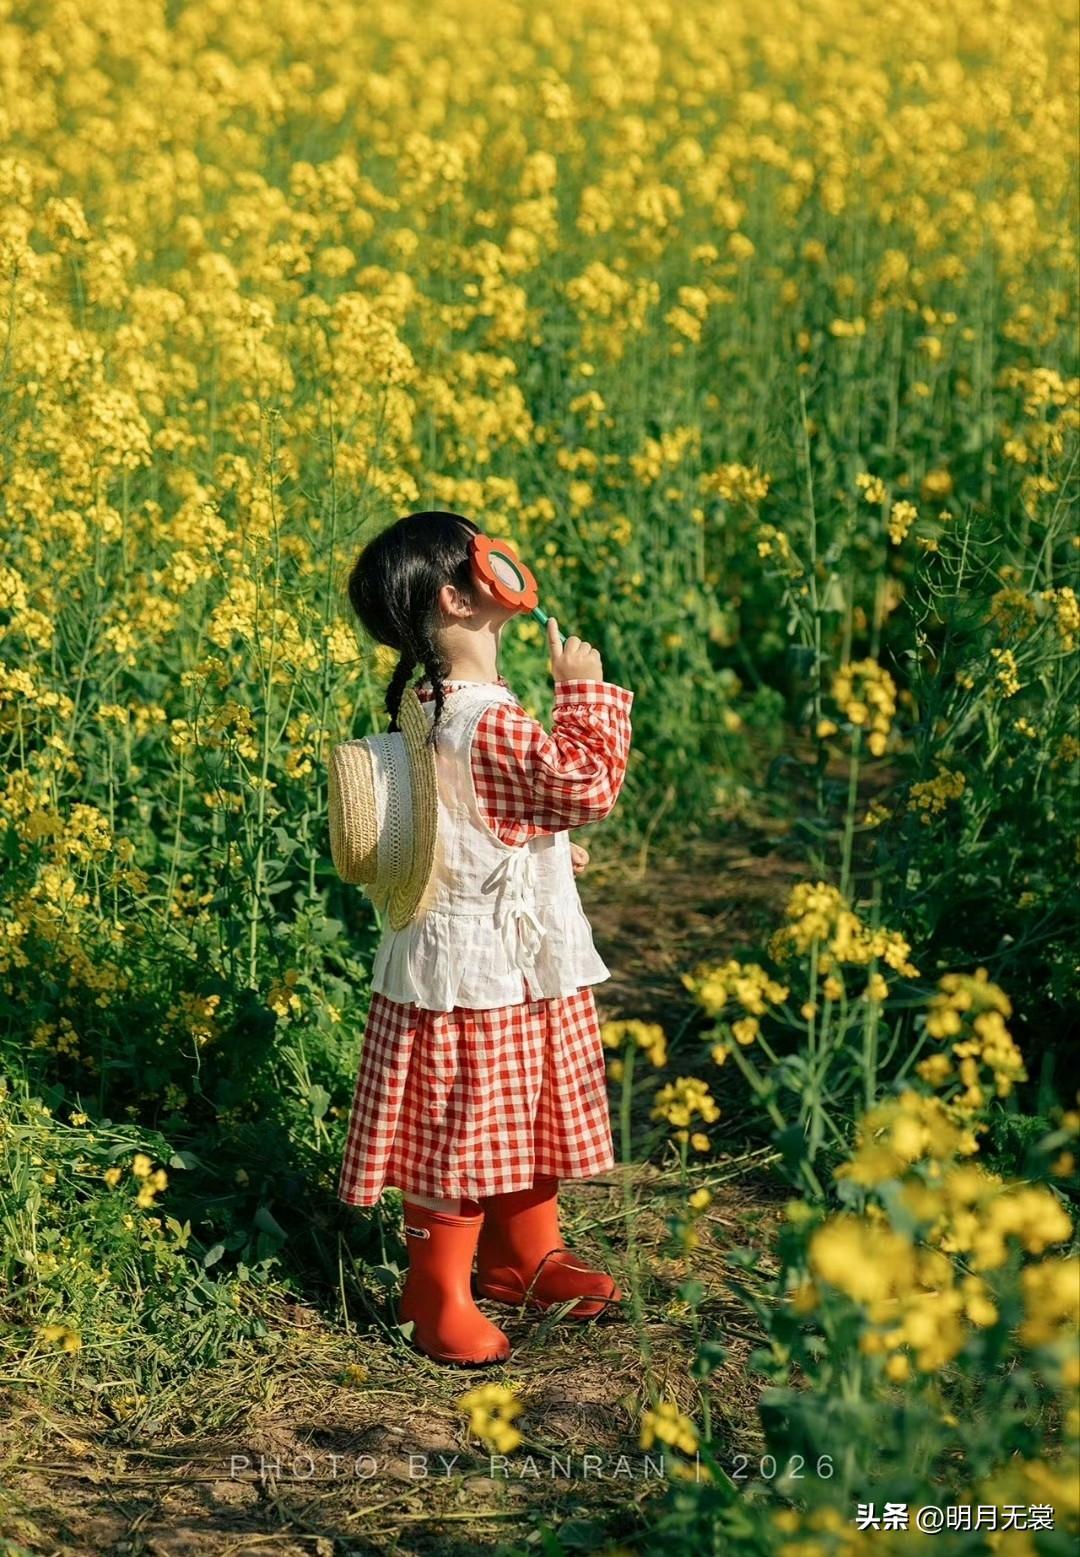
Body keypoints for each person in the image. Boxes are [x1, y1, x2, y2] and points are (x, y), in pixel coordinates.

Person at [329, 510, 634, 1365]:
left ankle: (520, 1256)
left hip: (489, 951)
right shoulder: (491, 717)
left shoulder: (430, 701)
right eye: (479, 555)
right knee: (464, 1126)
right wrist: (582, 692)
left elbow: (469, 817)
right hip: (478, 969)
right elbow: (583, 786)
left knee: (517, 1110)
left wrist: (539, 846)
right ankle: (436, 1290)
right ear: (461, 597)